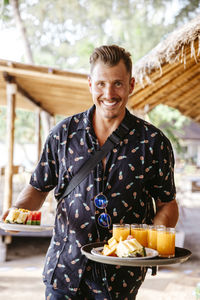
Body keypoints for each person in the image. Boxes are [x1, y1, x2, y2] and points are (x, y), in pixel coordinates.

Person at [2, 45, 179, 299]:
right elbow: (37, 188)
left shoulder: (153, 142)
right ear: (89, 84)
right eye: (101, 84)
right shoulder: (62, 135)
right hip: (64, 270)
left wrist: (145, 245)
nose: (109, 93)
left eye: (117, 84)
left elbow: (168, 205)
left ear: (131, 84)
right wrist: (17, 215)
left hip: (120, 277)